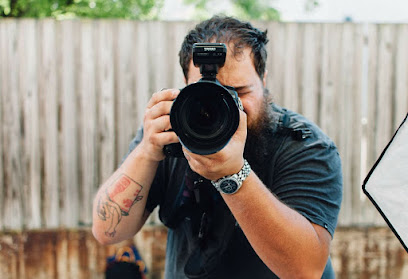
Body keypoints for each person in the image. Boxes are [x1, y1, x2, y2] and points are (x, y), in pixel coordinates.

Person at [92, 15, 343, 279]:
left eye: (239, 92)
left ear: (264, 82)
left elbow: (305, 270)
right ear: (185, 87)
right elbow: (108, 231)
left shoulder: (302, 145)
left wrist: (233, 174)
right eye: (209, 92)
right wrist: (146, 152)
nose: (225, 106)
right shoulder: (169, 133)